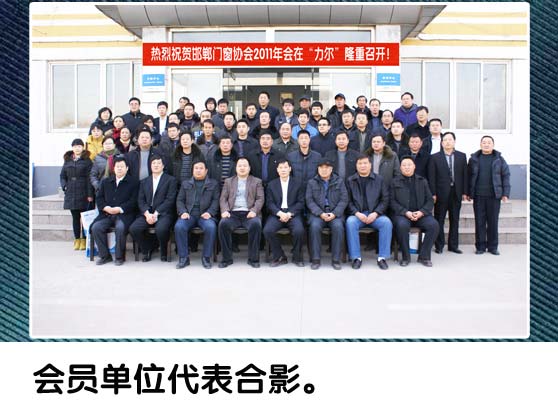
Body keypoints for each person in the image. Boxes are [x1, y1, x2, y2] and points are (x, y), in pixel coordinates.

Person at [345, 155, 393, 270]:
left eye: (365, 163)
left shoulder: (379, 180)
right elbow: (347, 200)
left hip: (375, 214)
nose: (363, 166)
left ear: (370, 165)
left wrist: (376, 213)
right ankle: (356, 258)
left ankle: (382, 258)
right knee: (350, 222)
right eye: (360, 163)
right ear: (356, 166)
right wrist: (356, 213)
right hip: (357, 215)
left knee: (386, 223)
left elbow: (385, 199)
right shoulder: (350, 180)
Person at [390, 156, 439, 267]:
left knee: (434, 225)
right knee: (402, 225)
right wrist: (405, 212)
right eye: (404, 165)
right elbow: (391, 201)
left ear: (414, 166)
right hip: (402, 215)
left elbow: (430, 200)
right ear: (400, 168)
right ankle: (406, 257)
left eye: (409, 165)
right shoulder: (394, 182)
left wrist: (422, 212)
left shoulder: (422, 181)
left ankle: (424, 256)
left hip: (420, 214)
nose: (407, 167)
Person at [91, 155, 139, 266]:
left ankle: (119, 257)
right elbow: (99, 198)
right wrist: (105, 208)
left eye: (122, 166)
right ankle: (105, 256)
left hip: (124, 215)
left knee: (120, 227)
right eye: (117, 166)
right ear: (113, 168)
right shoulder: (106, 181)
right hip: (106, 214)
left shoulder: (133, 182)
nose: (119, 168)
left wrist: (119, 209)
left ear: (127, 168)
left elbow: (134, 201)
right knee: (96, 227)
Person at [218, 157, 265, 268]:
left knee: (256, 224)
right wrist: (225, 210)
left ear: (249, 168)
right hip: (232, 213)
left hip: (249, 213)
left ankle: (253, 259)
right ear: (236, 168)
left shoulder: (257, 181)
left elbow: (260, 198)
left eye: (245, 166)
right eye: (240, 166)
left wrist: (254, 211)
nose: (242, 168)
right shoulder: (229, 181)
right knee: (223, 224)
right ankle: (226, 259)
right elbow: (223, 198)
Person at [467, 135, 510, 255]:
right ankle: (480, 246)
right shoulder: (474, 159)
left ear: (493, 145)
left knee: (493, 222)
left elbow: (505, 176)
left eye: (489, 142)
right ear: (480, 144)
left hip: (494, 196)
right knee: (479, 222)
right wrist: (468, 192)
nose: (486, 144)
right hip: (478, 195)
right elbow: (469, 176)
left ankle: (493, 247)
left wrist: (505, 193)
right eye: (484, 142)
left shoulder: (499, 159)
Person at [129, 155, 177, 262]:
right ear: (150, 166)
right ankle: (146, 249)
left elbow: (170, 200)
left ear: (163, 166)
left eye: (158, 163)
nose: (156, 165)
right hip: (147, 213)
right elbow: (140, 200)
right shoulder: (144, 181)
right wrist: (147, 214)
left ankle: (163, 250)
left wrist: (156, 213)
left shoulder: (171, 180)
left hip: (163, 213)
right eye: (153, 163)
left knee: (161, 229)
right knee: (134, 229)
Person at [174, 160, 220, 269]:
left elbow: (216, 201)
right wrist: (183, 212)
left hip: (205, 215)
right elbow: (180, 200)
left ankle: (206, 257)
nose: (198, 170)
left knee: (210, 227)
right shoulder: (186, 183)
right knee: (179, 226)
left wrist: (210, 212)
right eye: (196, 168)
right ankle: (183, 258)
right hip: (189, 215)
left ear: (206, 171)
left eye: (201, 168)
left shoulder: (213, 184)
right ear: (192, 170)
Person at [428, 131, 468, 254]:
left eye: (450, 140)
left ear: (454, 142)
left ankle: (453, 245)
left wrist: (465, 192)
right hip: (440, 194)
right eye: (445, 140)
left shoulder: (462, 156)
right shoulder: (434, 157)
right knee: (439, 219)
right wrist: (433, 193)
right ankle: (439, 245)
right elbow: (432, 177)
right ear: (442, 143)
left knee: (454, 219)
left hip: (456, 192)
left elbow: (465, 175)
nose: (447, 142)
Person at [305, 158, 348, 270]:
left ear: (331, 169)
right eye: (321, 168)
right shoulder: (312, 182)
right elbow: (309, 200)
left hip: (335, 213)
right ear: (318, 169)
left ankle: (336, 259)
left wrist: (334, 213)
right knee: (314, 226)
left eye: (327, 168)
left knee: (338, 227)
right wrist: (320, 213)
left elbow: (344, 200)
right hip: (318, 214)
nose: (324, 170)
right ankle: (315, 259)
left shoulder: (339, 181)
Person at [263, 159, 306, 267]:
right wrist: (279, 213)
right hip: (277, 214)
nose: (283, 170)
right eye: (281, 168)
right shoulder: (271, 184)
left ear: (290, 169)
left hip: (293, 214)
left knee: (299, 230)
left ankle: (297, 257)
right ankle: (280, 256)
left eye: (285, 167)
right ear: (277, 170)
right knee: (267, 230)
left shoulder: (298, 183)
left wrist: (289, 214)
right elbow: (269, 203)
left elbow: (301, 202)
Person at [60, 138, 93, 250]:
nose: (77, 148)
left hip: (83, 191)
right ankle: (77, 239)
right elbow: (62, 176)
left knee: (84, 217)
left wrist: (90, 195)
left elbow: (89, 178)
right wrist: (64, 185)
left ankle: (84, 239)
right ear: (72, 148)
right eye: (75, 146)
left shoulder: (87, 161)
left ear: (83, 147)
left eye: (79, 146)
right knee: (75, 217)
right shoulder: (67, 160)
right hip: (71, 192)